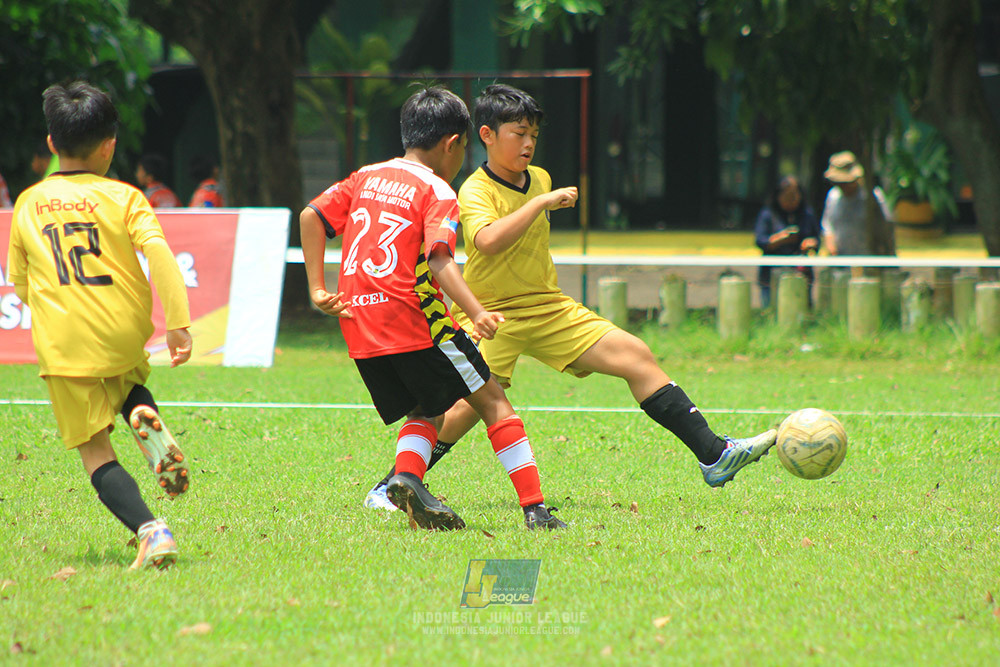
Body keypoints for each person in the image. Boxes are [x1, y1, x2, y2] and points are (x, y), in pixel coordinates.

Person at [363, 83, 777, 512]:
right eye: (518, 133)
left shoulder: (537, 177)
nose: (528, 144)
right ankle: (392, 486)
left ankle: (714, 454)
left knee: (636, 356)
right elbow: (485, 242)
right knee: (461, 412)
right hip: (493, 316)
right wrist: (539, 203)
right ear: (486, 135)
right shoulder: (473, 191)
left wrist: (538, 196)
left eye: (534, 136)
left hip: (548, 308)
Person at [300, 86, 566, 531]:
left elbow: (312, 216)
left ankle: (405, 480)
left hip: (360, 323)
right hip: (414, 318)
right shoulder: (438, 190)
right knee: (494, 401)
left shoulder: (365, 175)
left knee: (426, 407)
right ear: (453, 144)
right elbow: (440, 258)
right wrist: (476, 311)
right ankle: (535, 510)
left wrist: (315, 288)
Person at [7, 81, 193, 570]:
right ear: (110, 145)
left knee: (95, 450)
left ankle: (151, 532)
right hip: (122, 330)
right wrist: (177, 324)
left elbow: (19, 282)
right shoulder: (125, 197)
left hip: (64, 342)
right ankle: (140, 413)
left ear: (51, 144)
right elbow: (160, 255)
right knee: (126, 376)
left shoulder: (27, 203)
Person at [753, 175, 820, 307]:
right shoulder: (768, 214)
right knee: (771, 311)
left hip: (801, 274)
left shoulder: (807, 214)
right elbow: (760, 241)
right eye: (787, 196)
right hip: (771, 274)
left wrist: (811, 243)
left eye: (795, 196)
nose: (791, 201)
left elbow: (816, 238)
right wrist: (780, 239)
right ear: (777, 196)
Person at [820, 151, 893, 257]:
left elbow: (887, 227)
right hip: (840, 262)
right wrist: (830, 244)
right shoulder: (833, 196)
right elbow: (828, 225)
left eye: (845, 183)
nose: (842, 186)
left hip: (868, 260)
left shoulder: (873, 196)